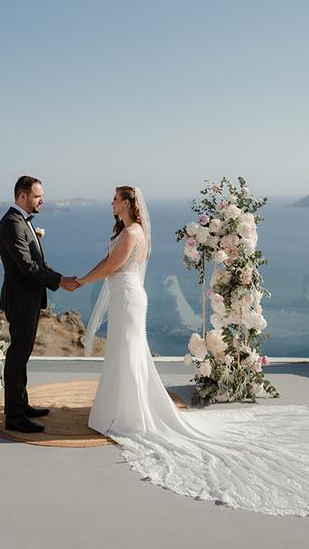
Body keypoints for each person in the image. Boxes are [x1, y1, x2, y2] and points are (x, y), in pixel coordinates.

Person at [75, 186, 309, 516]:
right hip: (124, 298)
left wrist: (80, 281)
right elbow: (109, 261)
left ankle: (129, 415)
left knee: (128, 355)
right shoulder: (126, 231)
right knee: (125, 354)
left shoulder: (131, 232)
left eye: (115, 198)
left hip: (127, 299)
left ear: (128, 203)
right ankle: (122, 409)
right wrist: (83, 278)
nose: (111, 202)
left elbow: (112, 265)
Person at [0, 176, 78, 434]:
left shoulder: (22, 222)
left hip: (27, 298)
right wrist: (60, 282)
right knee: (17, 355)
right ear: (22, 196)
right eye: (37, 196)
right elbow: (27, 266)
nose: (42, 200)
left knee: (23, 354)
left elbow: (37, 264)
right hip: (20, 300)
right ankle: (14, 415)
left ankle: (22, 405)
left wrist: (60, 277)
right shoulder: (12, 224)